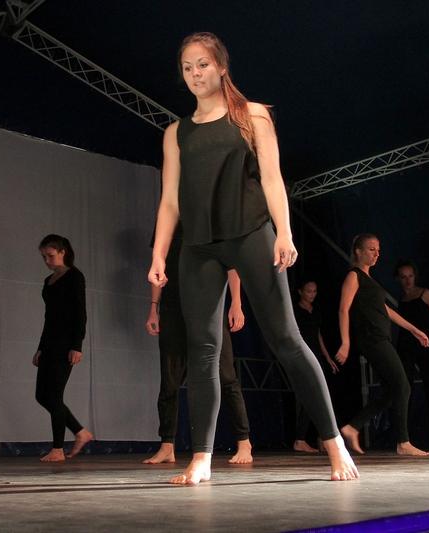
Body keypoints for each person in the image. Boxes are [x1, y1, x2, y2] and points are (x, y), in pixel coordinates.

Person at [148, 32, 358, 485]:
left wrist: (284, 232)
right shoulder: (176, 133)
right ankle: (201, 457)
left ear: (221, 67)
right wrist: (159, 254)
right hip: (199, 245)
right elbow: (169, 201)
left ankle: (333, 442)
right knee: (203, 350)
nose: (195, 74)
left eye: (202, 64)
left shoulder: (252, 115)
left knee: (286, 339)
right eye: (187, 67)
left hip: (250, 233)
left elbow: (272, 179)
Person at [144, 224, 253, 465]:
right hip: (173, 307)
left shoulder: (209, 220)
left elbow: (231, 264)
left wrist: (236, 303)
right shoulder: (167, 224)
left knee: (226, 376)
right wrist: (154, 308)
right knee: (169, 379)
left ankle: (244, 442)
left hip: (208, 306)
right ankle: (167, 445)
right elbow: (158, 266)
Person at [335, 235, 429, 457]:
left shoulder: (370, 280)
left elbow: (387, 311)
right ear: (358, 251)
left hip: (380, 338)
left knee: (393, 390)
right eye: (371, 249)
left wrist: (414, 330)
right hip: (372, 339)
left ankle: (352, 427)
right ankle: (403, 442)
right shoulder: (354, 276)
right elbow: (343, 309)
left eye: (378, 250)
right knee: (403, 385)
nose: (376, 254)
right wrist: (345, 342)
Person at [34, 234, 94, 461]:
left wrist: (77, 345)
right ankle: (80, 432)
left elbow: (80, 313)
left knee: (54, 394)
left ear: (63, 252)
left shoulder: (75, 277)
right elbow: (49, 317)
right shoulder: (48, 281)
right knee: (42, 395)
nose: (47, 261)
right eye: (43, 257)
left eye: (50, 256)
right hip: (49, 342)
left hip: (66, 344)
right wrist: (40, 347)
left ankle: (58, 449)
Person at [394, 261, 429, 450]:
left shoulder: (425, 294)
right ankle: (405, 438)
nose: (407, 280)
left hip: (425, 345)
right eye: (403, 277)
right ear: (399, 279)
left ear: (415, 276)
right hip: (406, 346)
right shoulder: (402, 299)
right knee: (405, 389)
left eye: (410, 276)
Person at [292, 280, 338, 453]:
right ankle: (301, 439)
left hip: (317, 356)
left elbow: (318, 335)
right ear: (300, 292)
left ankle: (322, 437)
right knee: (310, 397)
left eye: (314, 291)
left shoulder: (316, 310)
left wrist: (327, 357)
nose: (312, 294)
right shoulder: (296, 311)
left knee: (321, 397)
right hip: (302, 355)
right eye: (308, 291)